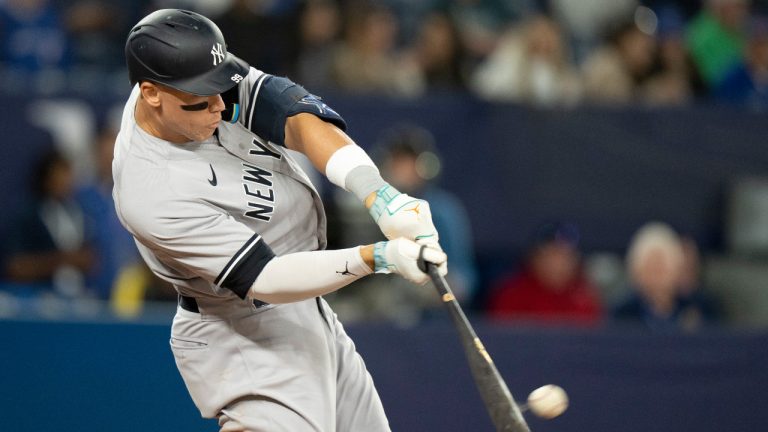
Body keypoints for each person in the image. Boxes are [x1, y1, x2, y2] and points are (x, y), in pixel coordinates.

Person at [114, 9, 447, 432]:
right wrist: (378, 257)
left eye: (220, 86)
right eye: (201, 98)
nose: (220, 104)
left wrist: (379, 195)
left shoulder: (183, 79)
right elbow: (265, 278)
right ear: (150, 94)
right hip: (241, 331)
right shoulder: (150, 192)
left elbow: (294, 116)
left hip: (306, 306)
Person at [486, 222, 603, 326]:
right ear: (534, 258)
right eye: (551, 255)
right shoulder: (511, 295)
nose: (557, 264)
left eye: (564, 257)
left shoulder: (585, 299)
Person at [612, 222, 714, 331]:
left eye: (662, 267)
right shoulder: (622, 314)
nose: (657, 275)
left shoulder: (699, 308)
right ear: (637, 271)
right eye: (650, 267)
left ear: (677, 268)